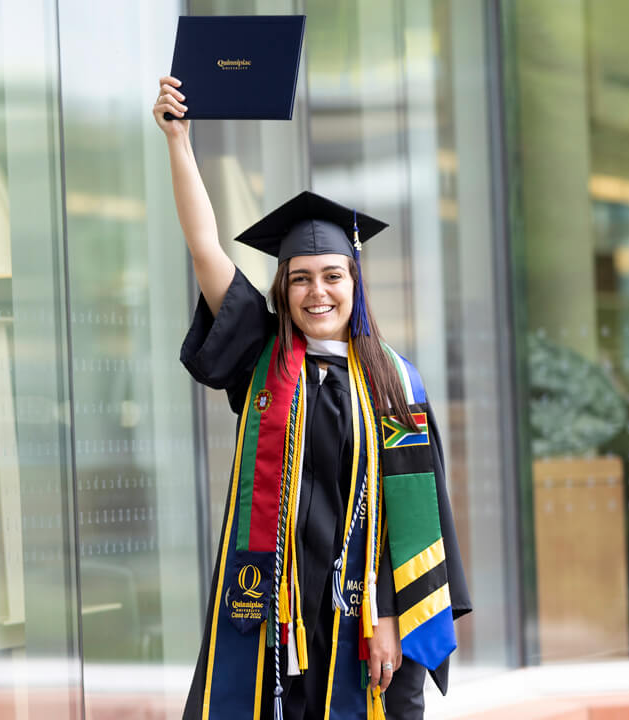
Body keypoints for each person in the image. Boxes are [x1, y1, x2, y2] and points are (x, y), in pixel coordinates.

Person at [154, 77, 471, 720]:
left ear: (356, 282)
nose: (316, 292)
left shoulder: (393, 383)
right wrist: (179, 142)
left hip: (370, 625)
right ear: (282, 289)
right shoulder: (262, 360)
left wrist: (387, 615)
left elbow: (415, 520)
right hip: (277, 624)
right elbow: (205, 249)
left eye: (332, 275)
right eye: (300, 278)